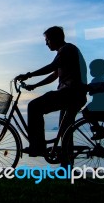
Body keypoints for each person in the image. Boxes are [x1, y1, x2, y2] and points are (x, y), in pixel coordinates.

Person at [15, 26, 87, 157]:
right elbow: (55, 74)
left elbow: (51, 67)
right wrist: (35, 85)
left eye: (47, 40)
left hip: (70, 94)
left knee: (33, 106)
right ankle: (66, 168)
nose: (46, 43)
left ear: (56, 38)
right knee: (65, 131)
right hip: (76, 95)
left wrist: (28, 75)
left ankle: (37, 147)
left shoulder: (66, 50)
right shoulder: (66, 51)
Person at [83, 58, 104, 140]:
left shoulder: (97, 80)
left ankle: (99, 130)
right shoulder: (102, 78)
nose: (90, 71)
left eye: (92, 69)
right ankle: (99, 129)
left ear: (98, 70)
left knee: (86, 112)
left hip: (101, 106)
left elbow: (89, 87)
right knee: (89, 114)